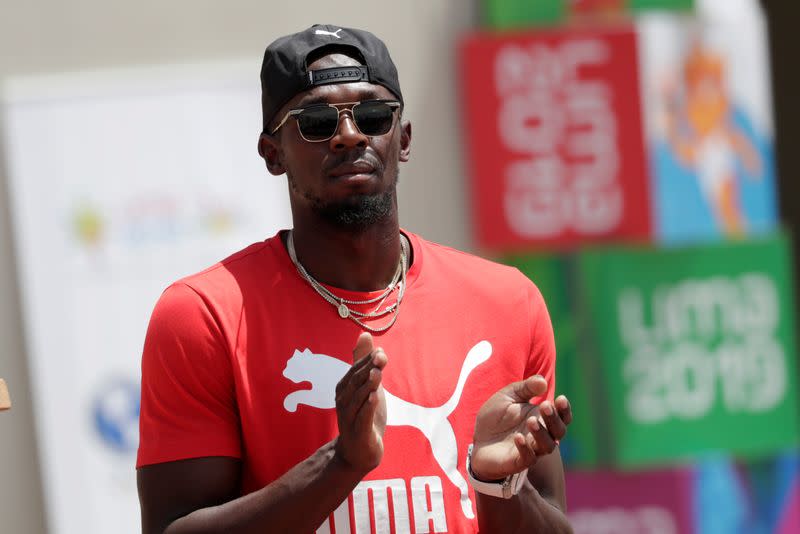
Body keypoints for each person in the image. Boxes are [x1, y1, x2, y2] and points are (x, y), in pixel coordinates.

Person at [136, 24, 574, 534]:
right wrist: (340, 464)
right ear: (271, 153)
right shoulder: (203, 315)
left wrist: (495, 485)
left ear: (403, 139)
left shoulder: (508, 304)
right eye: (316, 122)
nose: (349, 134)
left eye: (373, 116)